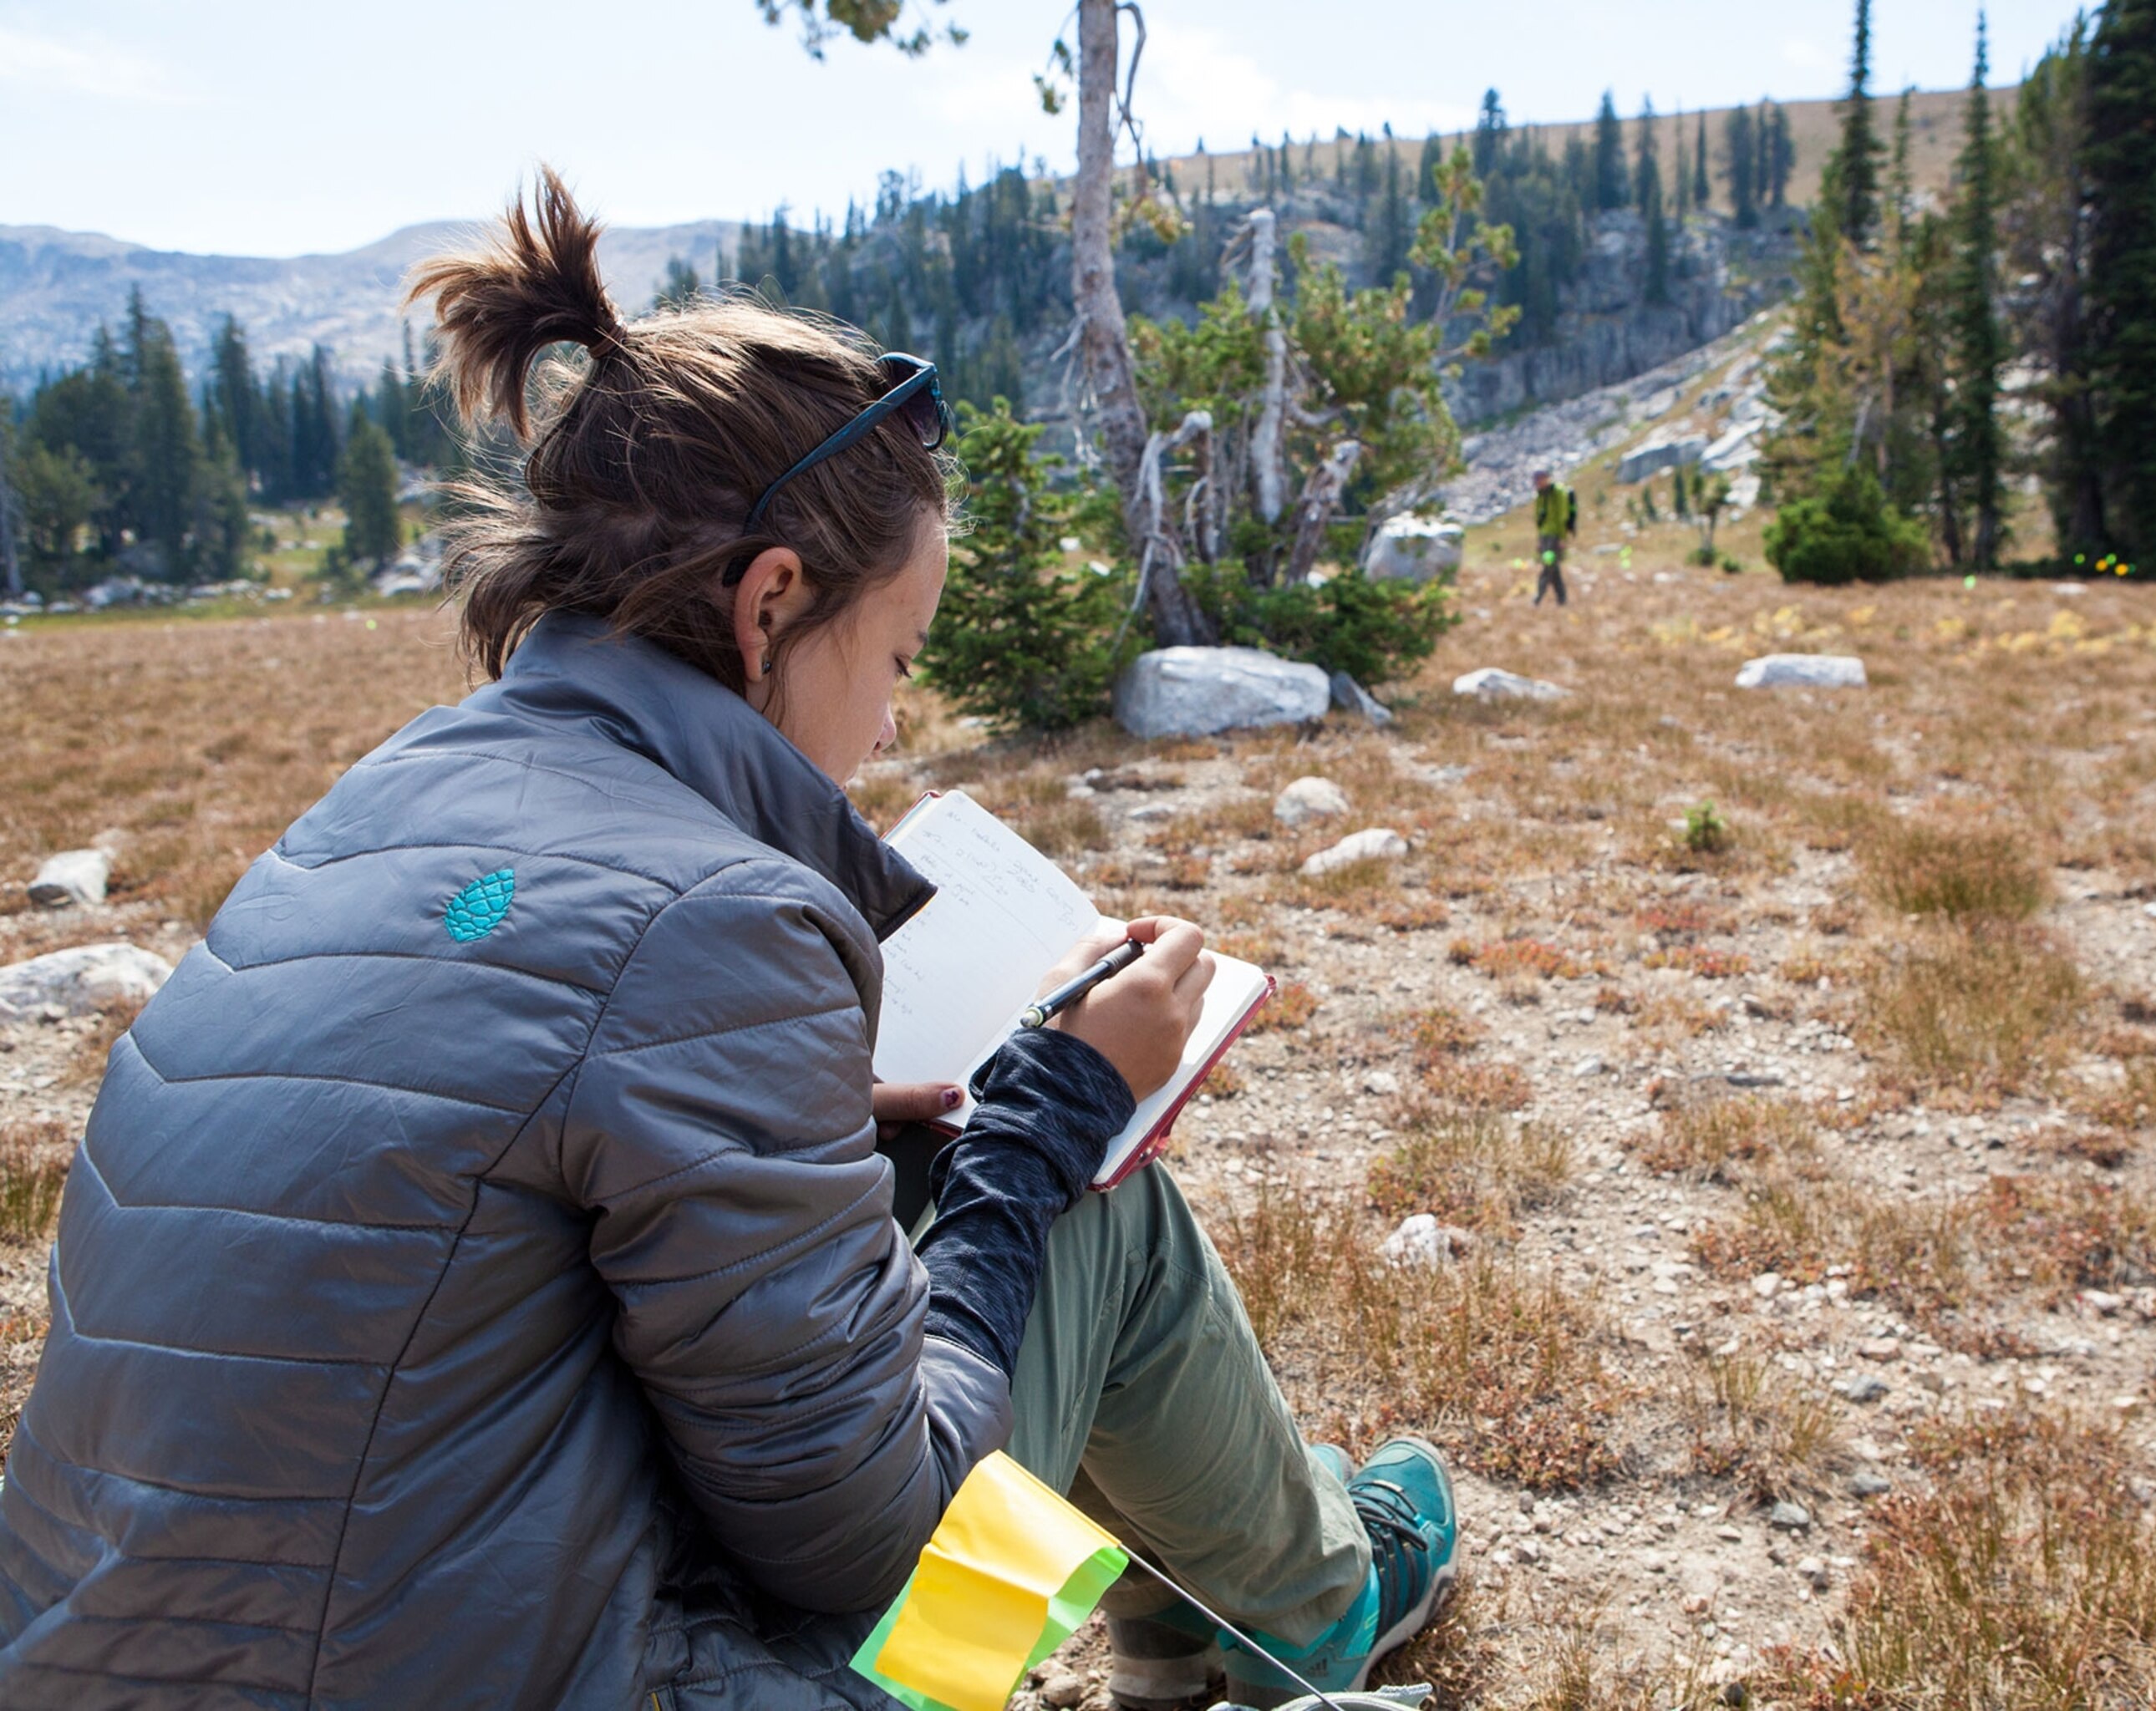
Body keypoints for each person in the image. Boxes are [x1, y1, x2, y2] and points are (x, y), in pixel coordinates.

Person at [0, 171, 1454, 1711]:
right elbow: (867, 1536)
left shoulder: (368, 807)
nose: (890, 718)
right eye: (892, 655)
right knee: (1075, 1209)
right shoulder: (716, 917)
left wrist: (812, 1120)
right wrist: (1048, 1113)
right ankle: (1305, 1608)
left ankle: (1252, 1602)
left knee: (926, 1182)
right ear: (769, 601)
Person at [1531, 469, 1576, 606]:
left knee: (1548, 566)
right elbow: (1539, 519)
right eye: (1536, 480)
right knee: (1553, 568)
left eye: (1540, 479)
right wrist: (1539, 539)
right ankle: (1562, 599)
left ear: (1546, 478)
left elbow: (1563, 516)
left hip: (1555, 536)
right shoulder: (1540, 496)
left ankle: (1538, 597)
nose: (1538, 482)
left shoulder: (1558, 493)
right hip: (1545, 536)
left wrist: (1562, 538)